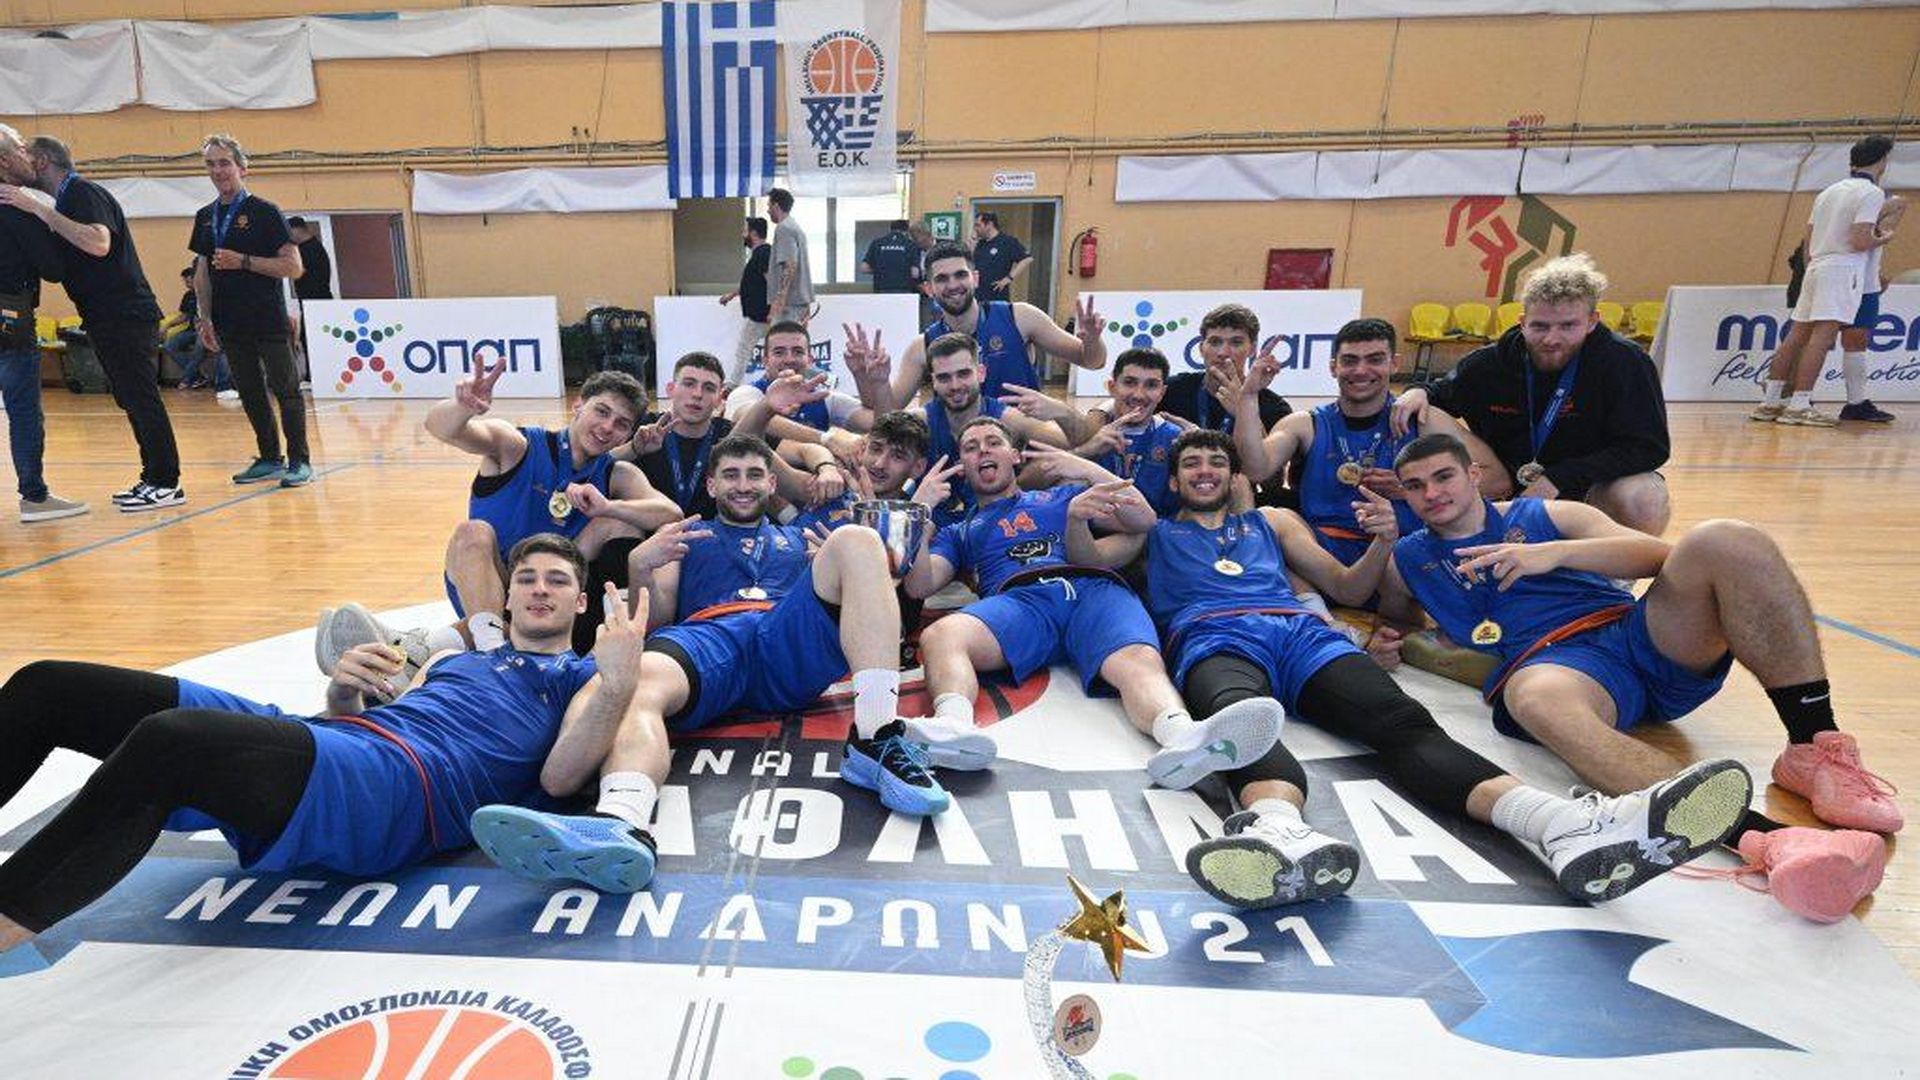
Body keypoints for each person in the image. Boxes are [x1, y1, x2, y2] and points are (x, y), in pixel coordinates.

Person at [1077, 429, 1763, 908]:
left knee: (1403, 722)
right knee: (1239, 723)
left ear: (1233, 477)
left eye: (1215, 462)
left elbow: (1346, 587)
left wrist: (1382, 544)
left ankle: (1559, 825)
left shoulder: (1275, 523)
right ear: (1173, 479)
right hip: (1214, 637)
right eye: (1190, 464)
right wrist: (1084, 487)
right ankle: (1279, 829)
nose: (1203, 471)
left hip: (1301, 633)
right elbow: (1087, 559)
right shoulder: (1151, 530)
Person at [0, 534, 644, 954]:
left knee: (172, 742)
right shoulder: (455, 659)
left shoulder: (582, 678)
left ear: (579, 603)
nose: (538, 588)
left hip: (402, 787)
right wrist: (344, 689)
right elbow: (359, 717)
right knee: (49, 686)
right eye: (526, 577)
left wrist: (616, 680)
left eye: (556, 581)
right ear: (507, 597)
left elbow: (561, 777)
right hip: (345, 739)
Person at [1374, 434, 1896, 921]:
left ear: (1473, 474)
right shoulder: (1410, 558)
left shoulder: (1544, 514)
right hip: (1563, 668)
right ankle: (1769, 838)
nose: (1432, 493)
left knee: (1727, 539)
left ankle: (1812, 742)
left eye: (1443, 476)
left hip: (1637, 633)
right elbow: (1392, 616)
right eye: (1415, 486)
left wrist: (1552, 553)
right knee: (1532, 696)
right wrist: (1393, 638)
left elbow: (1657, 556)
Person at [468, 435, 948, 894]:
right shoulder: (686, 538)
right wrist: (640, 568)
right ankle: (619, 821)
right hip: (708, 635)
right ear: (712, 485)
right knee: (636, 681)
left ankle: (874, 738)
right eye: (731, 475)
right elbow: (657, 619)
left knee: (857, 540)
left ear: (771, 484)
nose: (743, 484)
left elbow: (877, 593)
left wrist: (840, 573)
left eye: (754, 475)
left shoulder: (799, 538)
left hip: (780, 632)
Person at [899, 416, 1285, 790]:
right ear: (963, 465)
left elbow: (1144, 519)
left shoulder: (1062, 495)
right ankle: (954, 728)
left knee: (1138, 661)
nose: (983, 450)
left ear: (1014, 455)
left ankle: (1181, 739)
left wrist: (1085, 468)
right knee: (941, 636)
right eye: (971, 447)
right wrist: (917, 514)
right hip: (1020, 601)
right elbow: (919, 585)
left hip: (1092, 590)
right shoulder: (960, 530)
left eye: (993, 442)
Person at [316, 366, 681, 683]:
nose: (607, 427)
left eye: (621, 424)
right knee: (472, 532)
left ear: (628, 434)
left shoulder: (617, 473)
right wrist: (462, 408)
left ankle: (413, 650)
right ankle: (493, 655)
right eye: (601, 411)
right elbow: (441, 428)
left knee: (618, 522)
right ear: (578, 405)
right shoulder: (517, 445)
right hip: (491, 586)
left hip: (551, 592)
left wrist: (609, 506)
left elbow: (670, 513)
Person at [1391, 253, 1672, 536]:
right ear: (1523, 322)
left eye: (1568, 326)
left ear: (1592, 321)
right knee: (1424, 412)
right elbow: (1440, 394)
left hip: (1591, 488)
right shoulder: (1489, 364)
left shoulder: (1625, 363)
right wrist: (1416, 392)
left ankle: (1622, 562)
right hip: (1510, 487)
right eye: (1540, 326)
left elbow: (1649, 447)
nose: (1551, 339)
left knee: (1643, 498)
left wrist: (1558, 478)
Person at [1, 135, 182, 512]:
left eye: (24, 152)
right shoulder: (66, 200)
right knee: (130, 398)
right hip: (104, 315)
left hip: (126, 313)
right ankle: (152, 476)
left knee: (141, 398)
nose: (20, 158)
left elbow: (98, 243)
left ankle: (166, 481)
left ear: (42, 161)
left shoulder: (82, 192)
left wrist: (38, 211)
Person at [1233, 318, 1476, 565]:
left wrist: (1415, 488)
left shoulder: (1424, 419)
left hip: (1402, 552)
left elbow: (1492, 480)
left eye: (1375, 360)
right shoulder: (1305, 424)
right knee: (1273, 520)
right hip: (1322, 554)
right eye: (1350, 361)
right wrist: (1249, 395)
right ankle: (1331, 588)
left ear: (1394, 364)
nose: (1361, 370)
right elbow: (1254, 469)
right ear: (1333, 367)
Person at [1754, 136, 1905, 427]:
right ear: (1882, 161)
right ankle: (1800, 405)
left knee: (1795, 336)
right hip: (1842, 268)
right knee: (1822, 338)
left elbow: (1809, 240)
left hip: (1815, 266)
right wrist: (1884, 238)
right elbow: (1860, 240)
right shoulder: (1871, 193)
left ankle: (1770, 403)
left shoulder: (1827, 192)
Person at [192, 136, 312, 487]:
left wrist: (243, 261)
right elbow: (203, 271)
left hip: (267, 319)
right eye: (211, 164)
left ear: (242, 168)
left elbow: (293, 267)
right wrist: (205, 317)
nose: (218, 170)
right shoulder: (205, 217)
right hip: (229, 322)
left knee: (287, 390)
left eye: (224, 162)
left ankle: (300, 461)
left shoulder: (265, 212)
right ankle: (270, 457)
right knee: (250, 392)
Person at [858, 241, 1106, 410]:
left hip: (1025, 446)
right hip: (964, 453)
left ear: (975, 279)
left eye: (960, 275)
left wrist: (1093, 341)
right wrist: (868, 377)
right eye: (942, 279)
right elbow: (888, 409)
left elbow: (1092, 361)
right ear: (929, 288)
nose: (953, 285)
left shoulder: (1021, 317)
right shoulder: (921, 347)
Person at [877, 331, 1071, 524]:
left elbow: (1073, 446)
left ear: (980, 373)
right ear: (933, 381)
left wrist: (1063, 412)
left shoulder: (1010, 419)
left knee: (1071, 481)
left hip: (998, 526)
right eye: (944, 378)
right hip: (931, 529)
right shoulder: (921, 421)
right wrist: (876, 384)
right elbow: (879, 443)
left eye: (963, 374)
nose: (955, 385)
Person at [0, 123, 86, 522]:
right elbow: (53, 268)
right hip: (11, 320)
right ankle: (34, 496)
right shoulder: (16, 210)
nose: (30, 156)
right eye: (22, 149)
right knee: (23, 411)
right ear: (4, 161)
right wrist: (44, 216)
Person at [724, 320, 873, 451]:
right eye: (779, 352)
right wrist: (825, 439)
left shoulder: (825, 398)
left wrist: (861, 375)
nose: (789, 359)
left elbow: (874, 422)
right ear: (765, 361)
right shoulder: (745, 393)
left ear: (810, 360)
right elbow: (749, 419)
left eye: (798, 352)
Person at [717, 216, 772, 383]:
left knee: (743, 350)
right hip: (762, 315)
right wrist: (733, 294)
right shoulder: (760, 254)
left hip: (763, 316)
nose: (742, 234)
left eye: (745, 231)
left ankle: (733, 385)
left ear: (753, 233)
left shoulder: (763, 254)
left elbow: (772, 283)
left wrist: (774, 310)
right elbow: (754, 284)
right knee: (755, 350)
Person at [163, 266, 230, 393]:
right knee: (169, 345)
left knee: (199, 347)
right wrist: (167, 325)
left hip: (208, 330)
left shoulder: (210, 294)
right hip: (191, 331)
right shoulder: (188, 296)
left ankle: (187, 379)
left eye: (189, 281)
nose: (187, 285)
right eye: (185, 282)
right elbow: (184, 316)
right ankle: (198, 376)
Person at [286, 216, 333, 374]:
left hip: (317, 303)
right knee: (308, 340)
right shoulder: (311, 247)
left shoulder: (309, 249)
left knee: (314, 341)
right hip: (311, 303)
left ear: (297, 230)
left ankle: (316, 375)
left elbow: (296, 271)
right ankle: (313, 375)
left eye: (289, 233)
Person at [766, 189, 814, 325]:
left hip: (788, 305)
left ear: (776, 206)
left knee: (782, 338)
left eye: (769, 206)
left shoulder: (784, 228)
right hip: (797, 303)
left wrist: (780, 299)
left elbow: (790, 264)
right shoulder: (795, 227)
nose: (768, 211)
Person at [970, 212, 1031, 303]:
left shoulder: (1007, 242)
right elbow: (973, 265)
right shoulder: (980, 243)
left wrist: (1009, 278)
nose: (975, 229)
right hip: (978, 296)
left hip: (997, 295)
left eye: (978, 225)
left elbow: (1027, 259)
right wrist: (972, 248)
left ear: (989, 224)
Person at [862, 219, 919, 295]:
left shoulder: (877, 243)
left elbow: (864, 268)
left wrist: (881, 271)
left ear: (890, 229)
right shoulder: (910, 244)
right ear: (906, 231)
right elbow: (915, 273)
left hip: (881, 290)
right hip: (903, 290)